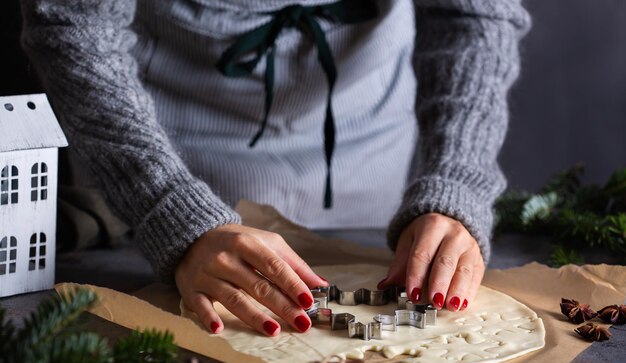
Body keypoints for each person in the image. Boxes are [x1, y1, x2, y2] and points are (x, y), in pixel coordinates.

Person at [20, 0, 531, 336]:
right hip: (160, 143)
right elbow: (74, 23)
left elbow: (474, 16)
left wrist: (457, 176)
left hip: (365, 154)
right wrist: (168, 209)